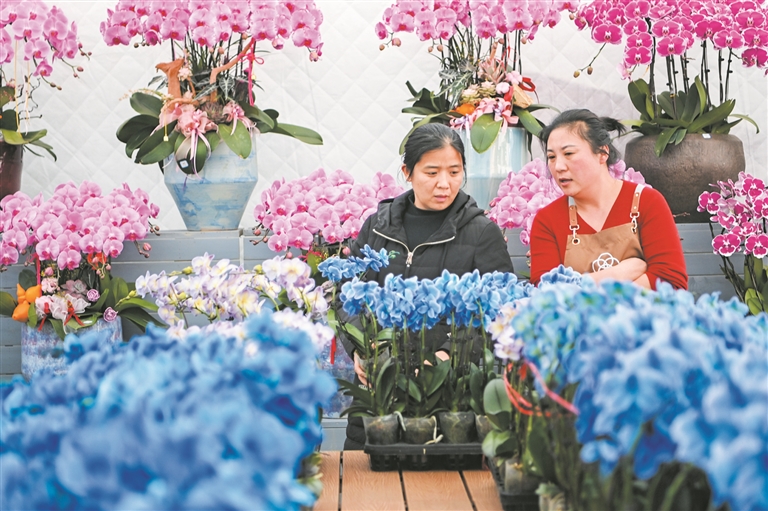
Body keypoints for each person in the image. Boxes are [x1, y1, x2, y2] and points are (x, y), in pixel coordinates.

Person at [340, 123, 514, 450]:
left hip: (449, 399)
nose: (444, 184)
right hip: (380, 391)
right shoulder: (378, 227)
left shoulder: (481, 232)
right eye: (431, 172)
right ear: (408, 172)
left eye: (454, 171)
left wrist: (451, 356)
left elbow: (501, 313)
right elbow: (347, 296)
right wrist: (359, 349)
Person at [529, 109, 688, 290]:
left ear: (602, 153)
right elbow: (546, 293)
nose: (558, 166)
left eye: (569, 154)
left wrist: (579, 289)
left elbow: (670, 281)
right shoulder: (547, 221)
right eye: (551, 157)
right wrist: (620, 273)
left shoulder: (647, 202)